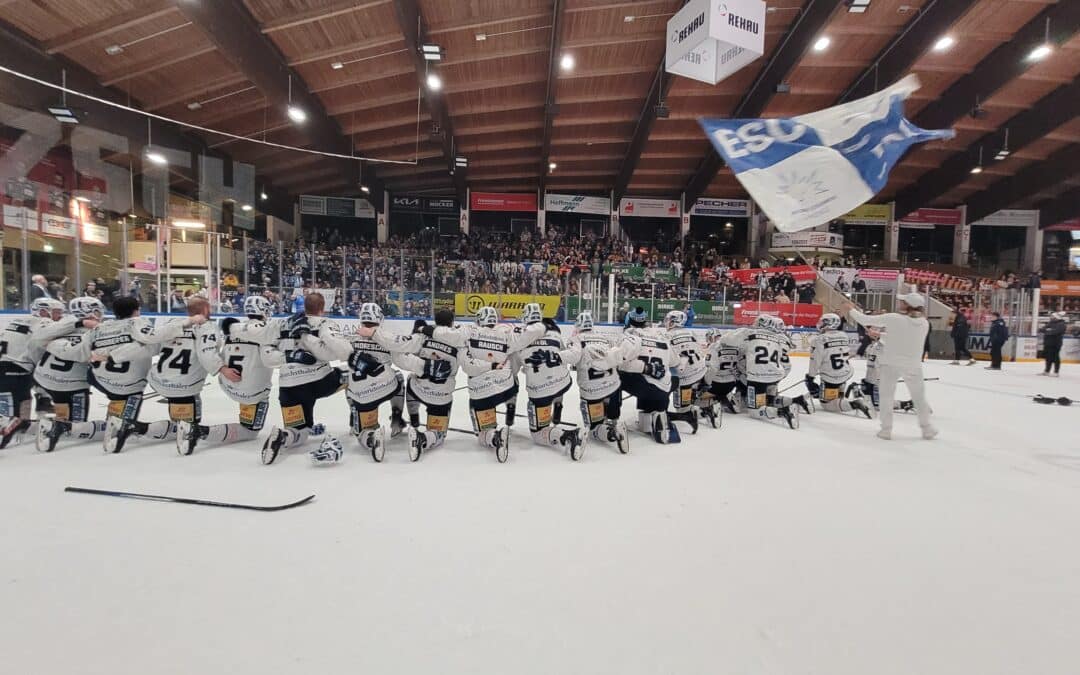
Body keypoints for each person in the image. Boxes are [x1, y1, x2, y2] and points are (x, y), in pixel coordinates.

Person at [65, 296, 210, 453]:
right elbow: (152, 337)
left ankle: (105, 423)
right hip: (128, 384)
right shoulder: (136, 322)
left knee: (115, 405)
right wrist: (188, 321)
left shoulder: (100, 328)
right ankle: (73, 427)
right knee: (126, 415)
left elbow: (76, 352)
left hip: (98, 378)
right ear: (136, 311)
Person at [176, 295, 279, 456]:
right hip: (253, 391)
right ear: (265, 310)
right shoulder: (267, 331)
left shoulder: (232, 328)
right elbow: (273, 359)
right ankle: (199, 431)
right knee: (251, 431)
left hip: (227, 385)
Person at [260, 293, 349, 465]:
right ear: (323, 309)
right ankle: (359, 425)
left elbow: (266, 357)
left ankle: (283, 436)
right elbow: (333, 353)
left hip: (288, 388)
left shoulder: (282, 323)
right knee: (354, 375)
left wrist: (289, 357)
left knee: (299, 432)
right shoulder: (324, 323)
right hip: (318, 383)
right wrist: (307, 338)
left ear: (304, 307)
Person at [843, 294, 936, 440]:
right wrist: (880, 335)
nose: (899, 302)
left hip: (891, 363)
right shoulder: (924, 323)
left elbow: (866, 320)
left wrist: (851, 309)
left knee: (886, 397)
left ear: (907, 305)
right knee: (918, 397)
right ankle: (927, 428)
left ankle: (886, 430)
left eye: (902, 301)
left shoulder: (893, 318)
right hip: (913, 365)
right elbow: (905, 337)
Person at [461, 306, 545, 462]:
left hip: (482, 393)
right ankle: (510, 405)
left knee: (482, 431)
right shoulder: (506, 333)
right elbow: (531, 333)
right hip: (507, 389)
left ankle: (493, 436)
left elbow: (467, 366)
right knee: (512, 375)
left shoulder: (470, 333)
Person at [33, 297, 109, 452]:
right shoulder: (95, 331)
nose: (99, 314)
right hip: (73, 383)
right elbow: (95, 355)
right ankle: (58, 427)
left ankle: (56, 422)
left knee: (62, 410)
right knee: (78, 427)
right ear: (89, 312)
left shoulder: (62, 326)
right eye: (96, 310)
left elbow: (38, 339)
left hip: (45, 378)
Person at [513, 303, 585, 460]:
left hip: (541, 392)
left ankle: (569, 435)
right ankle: (558, 404)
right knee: (556, 379)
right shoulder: (554, 333)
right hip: (563, 383)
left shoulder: (519, 337)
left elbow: (514, 370)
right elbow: (567, 354)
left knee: (538, 434)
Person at [397, 309, 467, 461]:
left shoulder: (423, 336)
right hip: (440, 397)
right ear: (452, 322)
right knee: (438, 434)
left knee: (410, 380)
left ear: (435, 321)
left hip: (419, 390)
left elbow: (407, 353)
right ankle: (423, 438)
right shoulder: (459, 342)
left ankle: (414, 418)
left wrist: (416, 331)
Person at [0, 298, 64, 448]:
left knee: (20, 414)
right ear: (43, 311)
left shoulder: (18, 321)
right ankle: (43, 400)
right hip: (15, 369)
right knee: (11, 420)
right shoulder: (44, 322)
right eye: (56, 312)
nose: (59, 316)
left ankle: (42, 400)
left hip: (11, 368)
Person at [566, 311, 633, 454]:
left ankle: (611, 432)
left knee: (593, 429)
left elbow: (572, 358)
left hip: (592, 391)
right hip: (613, 386)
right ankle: (614, 421)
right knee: (613, 387)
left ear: (578, 325)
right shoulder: (606, 338)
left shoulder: (576, 339)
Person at [724, 315, 805, 429]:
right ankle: (795, 400)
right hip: (775, 376)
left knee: (754, 410)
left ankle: (782, 411)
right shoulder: (778, 338)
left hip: (757, 378)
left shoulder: (749, 334)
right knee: (769, 400)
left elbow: (729, 341)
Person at [618, 309, 681, 443]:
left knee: (615, 377)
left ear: (629, 321)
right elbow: (676, 362)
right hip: (664, 390)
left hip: (645, 388)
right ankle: (658, 413)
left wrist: (646, 368)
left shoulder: (630, 335)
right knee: (669, 376)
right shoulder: (661, 336)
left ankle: (610, 418)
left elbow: (620, 363)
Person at [804, 313, 871, 418]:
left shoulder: (818, 340)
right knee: (837, 395)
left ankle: (854, 404)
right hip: (846, 372)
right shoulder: (843, 335)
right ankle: (844, 394)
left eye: (823, 321)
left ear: (829, 323)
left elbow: (815, 361)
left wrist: (810, 377)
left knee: (827, 405)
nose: (820, 323)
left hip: (831, 376)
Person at [663, 309, 709, 430]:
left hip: (684, 377)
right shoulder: (691, 333)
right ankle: (701, 404)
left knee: (680, 408)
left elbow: (666, 358)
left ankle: (699, 411)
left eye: (668, 320)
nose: (666, 322)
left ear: (673, 322)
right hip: (701, 372)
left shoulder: (666, 336)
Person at [1038, 311, 1066, 377]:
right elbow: (1042, 329)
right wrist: (1049, 330)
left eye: (1053, 317)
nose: (1051, 318)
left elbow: (1055, 332)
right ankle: (1047, 371)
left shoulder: (1061, 324)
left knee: (1056, 357)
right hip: (1048, 343)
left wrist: (1048, 331)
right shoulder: (1051, 323)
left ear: (1056, 317)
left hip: (1056, 344)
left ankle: (1056, 372)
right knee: (1048, 358)